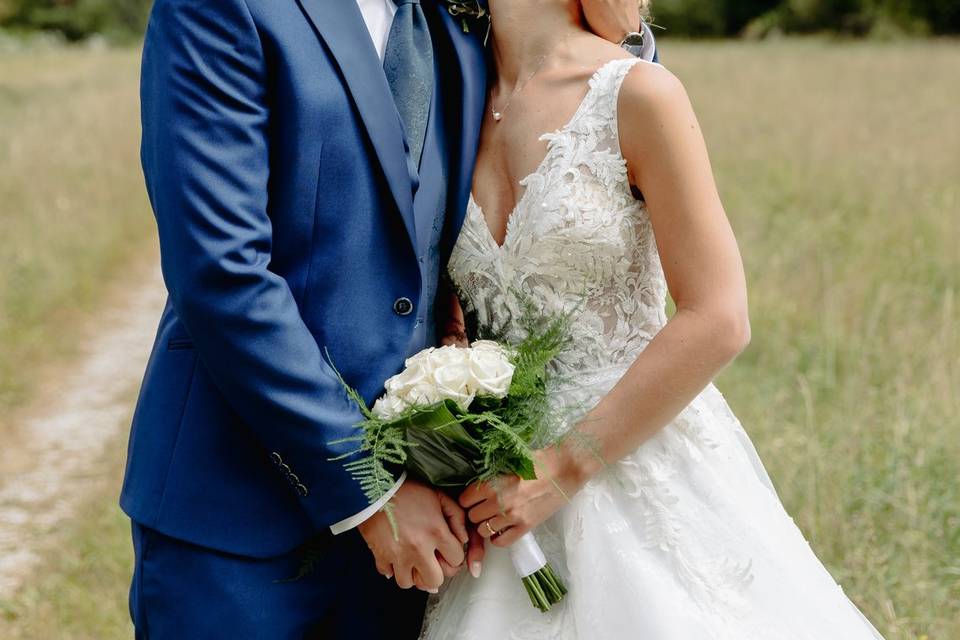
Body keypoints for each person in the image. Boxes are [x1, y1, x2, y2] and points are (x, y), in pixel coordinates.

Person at [120, 0, 653, 637]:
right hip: (236, 510)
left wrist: (628, 52)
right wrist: (369, 489)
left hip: (427, 529)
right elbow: (220, 273)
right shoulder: (220, 9)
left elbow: (579, 78)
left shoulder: (458, 20)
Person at [421, 0, 889, 637]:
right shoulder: (443, 105)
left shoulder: (638, 94)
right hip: (498, 489)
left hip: (631, 462)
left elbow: (719, 316)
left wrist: (562, 467)